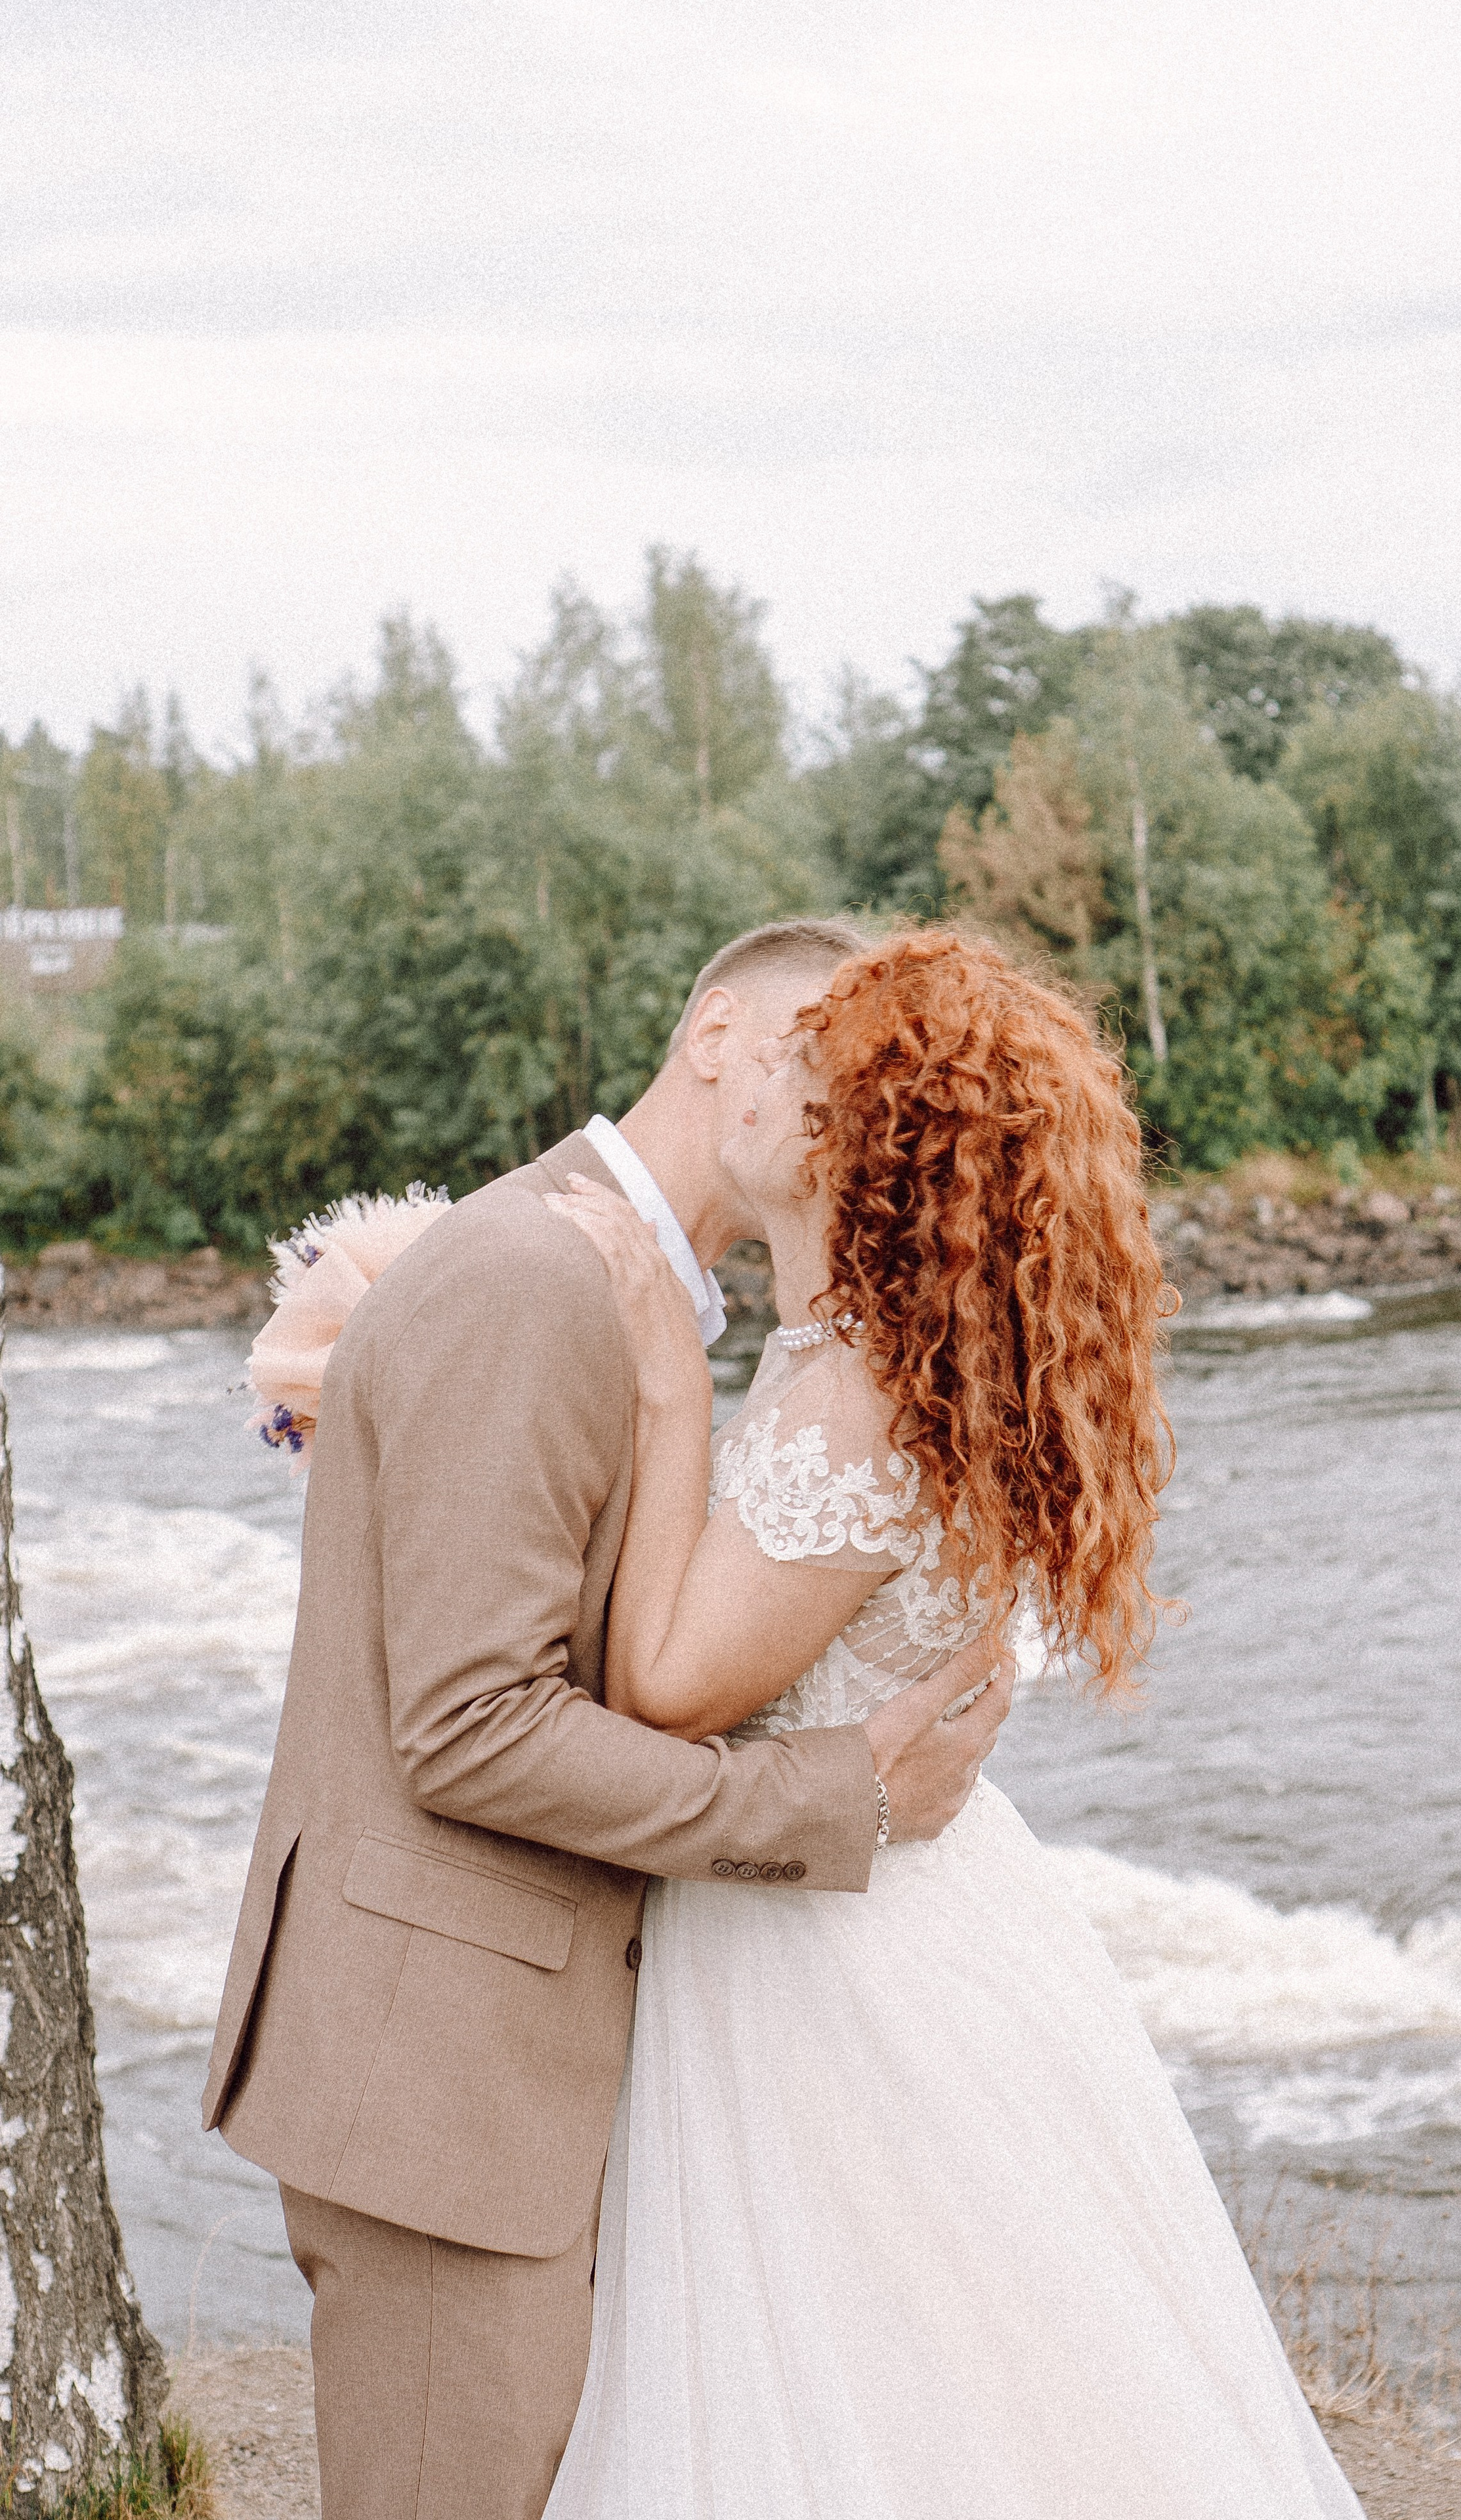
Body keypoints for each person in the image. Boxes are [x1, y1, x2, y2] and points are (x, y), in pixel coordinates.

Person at [547, 927, 1366, 2520]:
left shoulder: (859, 1398)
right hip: (906, 1915)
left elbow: (665, 1686)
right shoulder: (885, 1367)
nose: (760, 1076)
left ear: (867, 1148)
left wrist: (663, 1380)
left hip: (833, 1971)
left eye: (809, 1065)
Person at [201, 917, 1013, 2520]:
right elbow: (470, 1726)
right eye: (822, 1052)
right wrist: (833, 1798)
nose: (850, 1097)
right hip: (444, 2081)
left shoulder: (649, 1301)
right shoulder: (532, 1275)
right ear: (716, 1038)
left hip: (549, 2057)